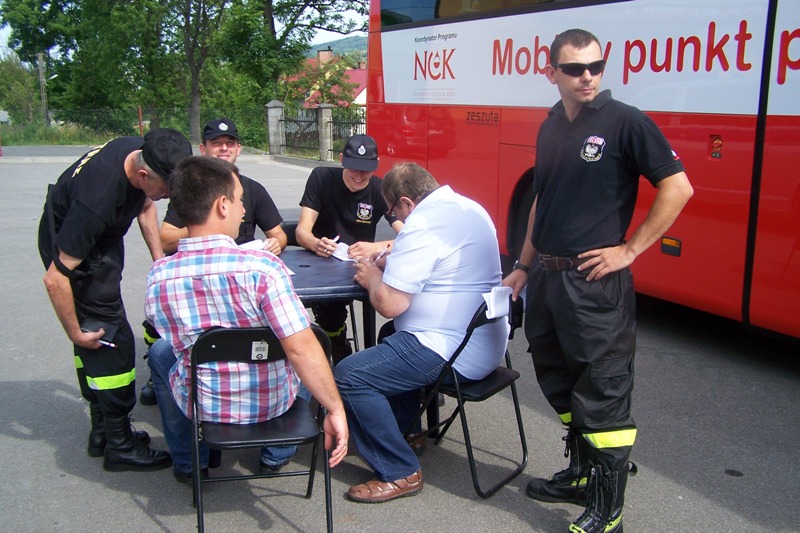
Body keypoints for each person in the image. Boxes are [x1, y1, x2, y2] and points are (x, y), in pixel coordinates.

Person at [502, 29, 694, 533]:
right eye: (574, 68)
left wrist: (629, 251)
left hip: (594, 286)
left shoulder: (625, 121)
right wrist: (522, 264)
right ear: (551, 73)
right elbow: (542, 200)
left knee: (603, 392)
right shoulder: (550, 125)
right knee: (557, 377)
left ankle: (609, 512)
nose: (587, 76)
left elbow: (678, 187)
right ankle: (583, 476)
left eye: (596, 66)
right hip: (548, 278)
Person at [144, 156, 349, 484]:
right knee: (307, 347)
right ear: (222, 205)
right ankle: (277, 452)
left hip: (204, 404)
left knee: (160, 354)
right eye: (240, 200)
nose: (243, 210)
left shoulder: (159, 277)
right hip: (273, 403)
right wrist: (336, 408)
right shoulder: (263, 268)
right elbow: (301, 349)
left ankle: (190, 463)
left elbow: (172, 335)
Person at [334, 162, 509, 503]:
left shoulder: (423, 225)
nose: (395, 218)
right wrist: (393, 259)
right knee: (389, 335)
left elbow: (389, 303)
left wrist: (372, 277)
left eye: (393, 211)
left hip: (452, 349)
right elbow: (441, 262)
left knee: (350, 375)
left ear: (406, 203)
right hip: (485, 340)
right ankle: (406, 431)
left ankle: (399, 470)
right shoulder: (468, 207)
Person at [38, 128, 191, 472]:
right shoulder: (97, 202)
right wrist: (75, 333)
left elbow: (145, 204)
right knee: (110, 341)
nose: (170, 197)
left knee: (98, 331)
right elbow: (55, 278)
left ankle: (102, 432)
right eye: (168, 189)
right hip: (74, 251)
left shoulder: (140, 152)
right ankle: (119, 445)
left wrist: (159, 261)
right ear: (143, 175)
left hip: (99, 240)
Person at [139, 117, 288, 406]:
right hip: (200, 284)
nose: (224, 149)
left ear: (239, 149)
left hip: (243, 285)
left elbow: (279, 234)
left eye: (229, 143)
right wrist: (206, 228)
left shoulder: (253, 189)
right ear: (203, 148)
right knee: (162, 348)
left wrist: (276, 243)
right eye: (216, 144)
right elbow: (165, 238)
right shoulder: (191, 188)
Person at [296, 133, 403, 362]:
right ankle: (337, 346)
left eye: (366, 170)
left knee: (399, 296)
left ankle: (386, 360)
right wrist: (315, 243)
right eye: (354, 168)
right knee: (329, 308)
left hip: (360, 266)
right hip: (321, 264)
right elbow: (302, 231)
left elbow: (410, 236)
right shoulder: (322, 177)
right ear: (341, 159)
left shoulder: (379, 188)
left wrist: (376, 246)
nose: (359, 176)